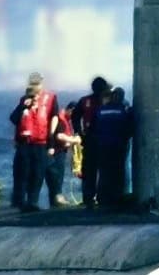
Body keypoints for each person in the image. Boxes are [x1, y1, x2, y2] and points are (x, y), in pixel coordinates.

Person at [9, 72, 61, 212]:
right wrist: (23, 106)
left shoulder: (50, 98)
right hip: (25, 142)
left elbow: (54, 118)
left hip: (41, 142)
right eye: (32, 84)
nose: (35, 87)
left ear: (41, 84)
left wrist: (51, 140)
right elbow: (14, 119)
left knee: (38, 173)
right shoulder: (24, 100)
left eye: (37, 84)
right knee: (23, 172)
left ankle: (33, 201)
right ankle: (20, 201)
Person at [70, 76, 110, 206]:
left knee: (93, 170)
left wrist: (79, 131)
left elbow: (75, 116)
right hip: (96, 139)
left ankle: (92, 197)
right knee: (95, 170)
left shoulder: (89, 100)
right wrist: (78, 131)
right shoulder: (89, 101)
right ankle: (95, 198)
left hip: (95, 139)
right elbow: (75, 116)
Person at [91, 87, 134, 208]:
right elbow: (129, 128)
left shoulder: (101, 110)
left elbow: (93, 128)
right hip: (118, 146)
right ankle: (117, 198)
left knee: (104, 172)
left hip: (103, 145)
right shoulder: (124, 110)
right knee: (118, 172)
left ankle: (102, 198)